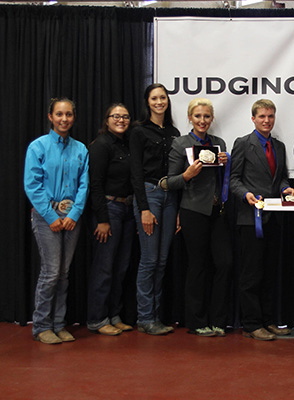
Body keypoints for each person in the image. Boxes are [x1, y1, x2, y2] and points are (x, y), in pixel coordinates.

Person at [24, 98, 89, 344]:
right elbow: (33, 185)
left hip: (72, 217)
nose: (64, 119)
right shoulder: (37, 147)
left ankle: (59, 323)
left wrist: (73, 215)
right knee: (50, 272)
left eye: (69, 114)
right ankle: (41, 326)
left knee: (64, 273)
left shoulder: (81, 149)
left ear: (74, 117)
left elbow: (84, 185)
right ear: (50, 117)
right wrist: (51, 217)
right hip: (45, 216)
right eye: (59, 114)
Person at [167, 98, 232, 337]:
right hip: (193, 211)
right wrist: (187, 174)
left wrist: (226, 163)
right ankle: (196, 321)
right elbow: (169, 181)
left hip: (218, 212)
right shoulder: (180, 144)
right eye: (197, 116)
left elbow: (223, 179)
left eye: (206, 116)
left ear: (212, 119)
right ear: (190, 118)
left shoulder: (219, 143)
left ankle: (218, 319)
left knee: (224, 263)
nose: (202, 121)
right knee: (197, 266)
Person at [230, 99, 294, 341]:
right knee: (251, 274)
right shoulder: (243, 144)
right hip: (250, 218)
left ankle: (268, 321)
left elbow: (281, 180)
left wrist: (287, 189)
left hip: (275, 218)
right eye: (262, 116)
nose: (266, 120)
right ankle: (251, 324)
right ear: (253, 118)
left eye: (270, 116)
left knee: (269, 273)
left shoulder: (279, 146)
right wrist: (245, 194)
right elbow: (233, 179)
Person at [129, 83, 179, 335]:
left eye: (163, 98)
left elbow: (179, 172)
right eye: (154, 98)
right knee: (149, 260)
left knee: (161, 261)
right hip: (149, 194)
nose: (159, 102)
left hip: (171, 196)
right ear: (147, 102)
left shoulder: (174, 132)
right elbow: (135, 172)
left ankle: (156, 316)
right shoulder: (138, 131)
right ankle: (145, 317)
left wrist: (179, 208)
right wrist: (144, 208)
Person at [87, 103, 136, 336]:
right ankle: (97, 319)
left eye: (125, 117)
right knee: (104, 268)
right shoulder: (101, 146)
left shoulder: (127, 145)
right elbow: (94, 185)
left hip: (127, 209)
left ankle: (114, 315)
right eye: (116, 116)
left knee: (120, 267)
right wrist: (102, 220)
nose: (121, 120)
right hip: (109, 209)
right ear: (106, 120)